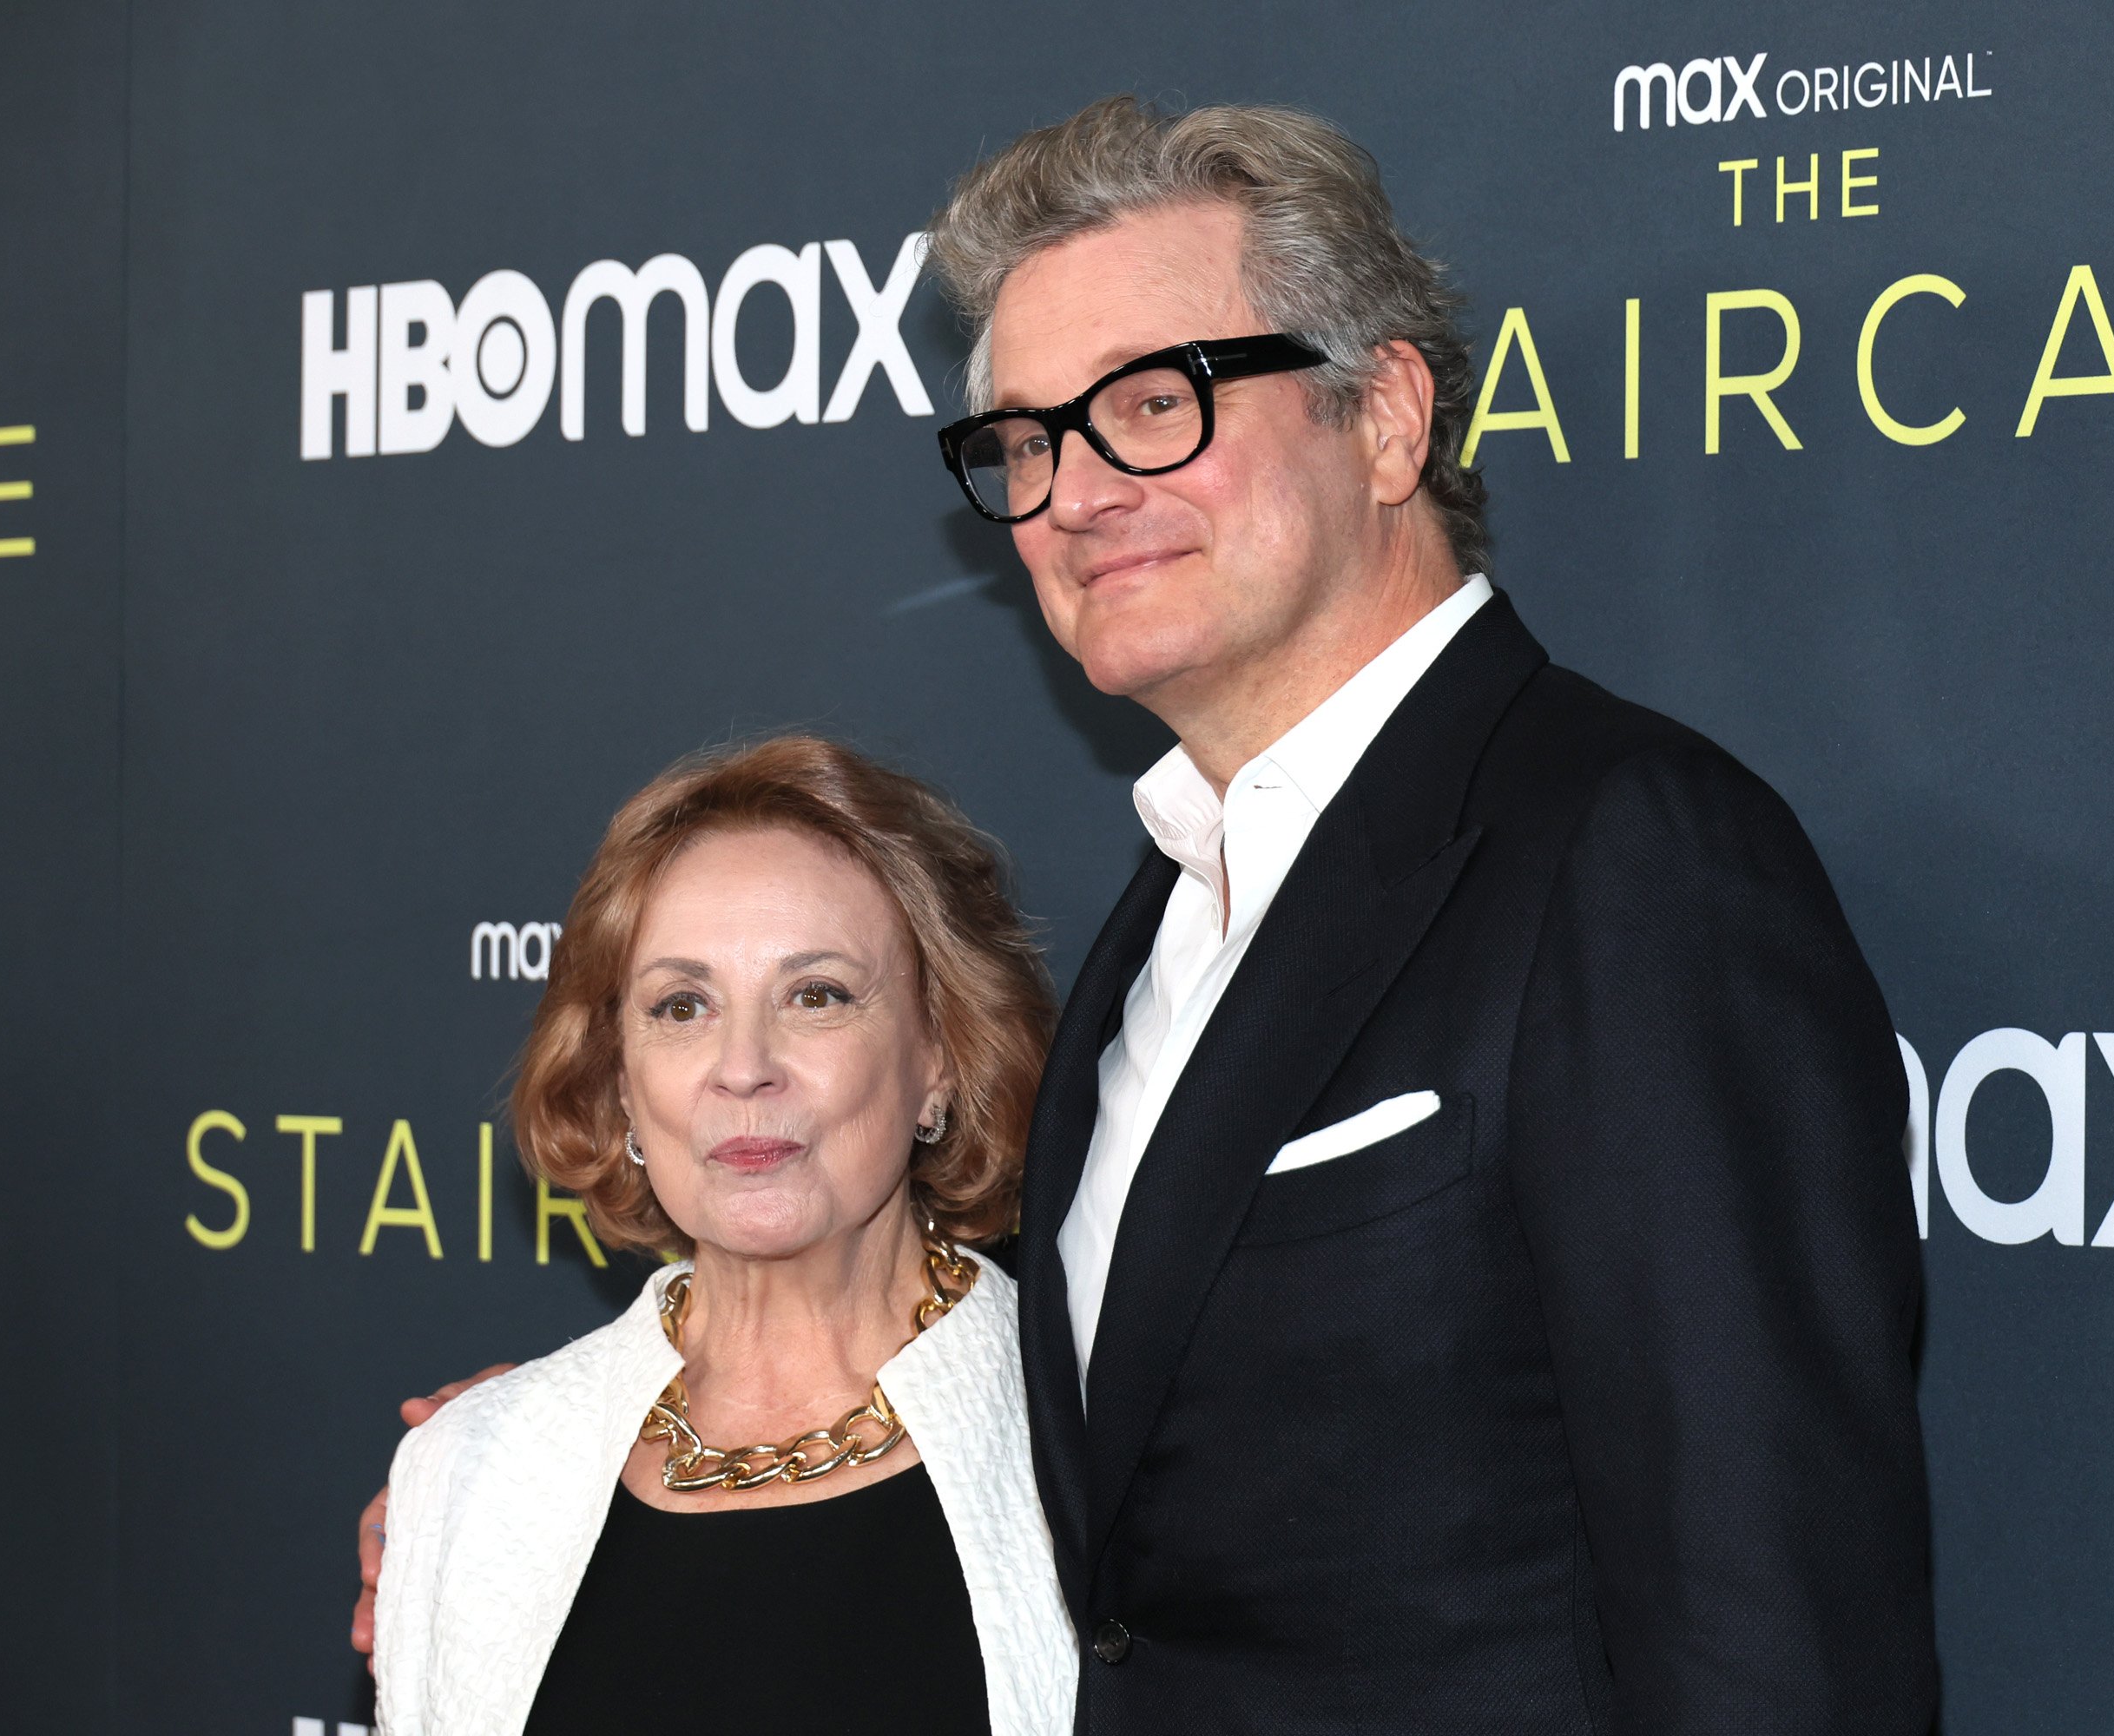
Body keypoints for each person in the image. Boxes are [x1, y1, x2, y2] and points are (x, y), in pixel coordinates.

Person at [365, 95, 1938, 1733]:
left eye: (1155, 404)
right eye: (1030, 441)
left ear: (1389, 418)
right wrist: (538, 1473)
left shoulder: (1626, 855)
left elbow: (1775, 1638)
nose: (1075, 493)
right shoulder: (1165, 922)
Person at [369, 737, 1075, 1735]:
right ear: (620, 1079)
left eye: (816, 994)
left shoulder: (1094, 1442)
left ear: (943, 1056)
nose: (743, 1067)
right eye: (682, 1005)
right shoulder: (472, 1473)